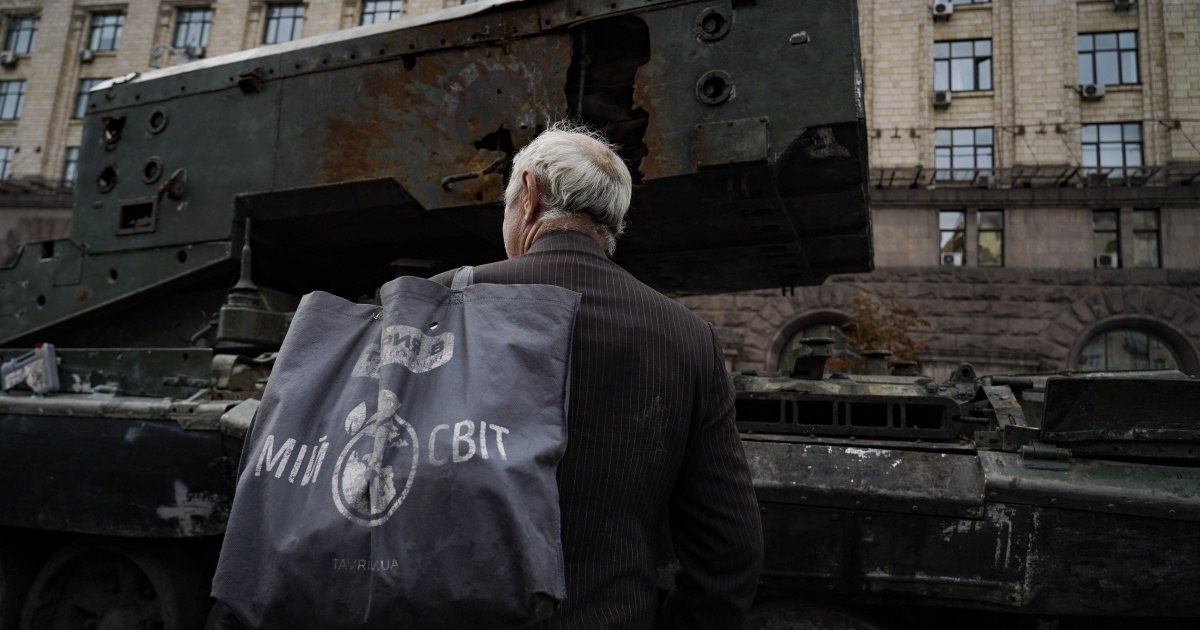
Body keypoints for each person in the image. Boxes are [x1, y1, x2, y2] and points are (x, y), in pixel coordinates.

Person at [433, 121, 763, 629]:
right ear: (612, 219)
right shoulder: (688, 337)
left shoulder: (440, 305)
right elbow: (731, 548)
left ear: (529, 192)